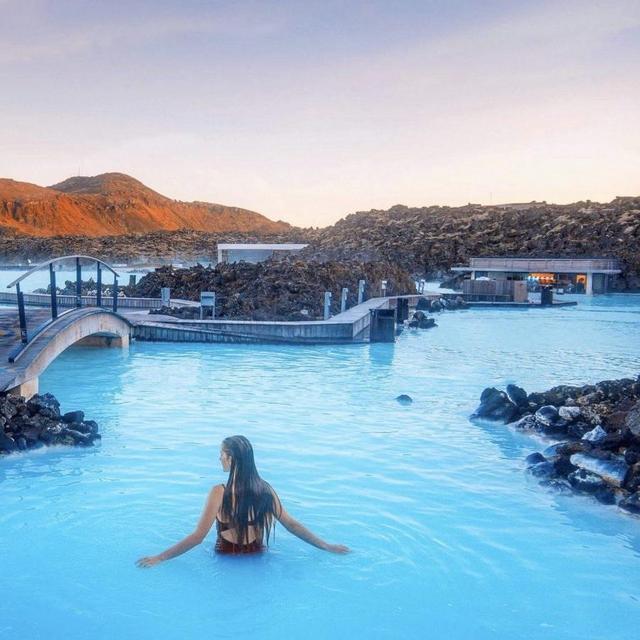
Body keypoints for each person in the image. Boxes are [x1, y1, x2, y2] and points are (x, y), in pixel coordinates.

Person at [136, 435, 349, 567]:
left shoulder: (218, 492)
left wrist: (160, 558)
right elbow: (292, 525)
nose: (219, 458)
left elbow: (197, 537)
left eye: (221, 454)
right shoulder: (265, 490)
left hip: (225, 560)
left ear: (231, 459)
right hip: (258, 557)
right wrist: (326, 545)